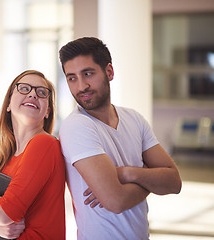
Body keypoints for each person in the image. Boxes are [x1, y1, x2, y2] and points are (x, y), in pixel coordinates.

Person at [58, 37, 182, 240]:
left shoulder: (134, 118)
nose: (81, 86)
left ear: (109, 72)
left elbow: (174, 182)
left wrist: (126, 174)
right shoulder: (77, 126)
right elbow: (115, 201)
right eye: (72, 78)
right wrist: (149, 177)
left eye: (88, 74)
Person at [0, 70, 66, 239]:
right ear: (8, 103)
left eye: (41, 92)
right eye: (24, 88)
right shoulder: (5, 157)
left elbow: (4, 214)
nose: (32, 94)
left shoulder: (44, 144)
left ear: (47, 111)